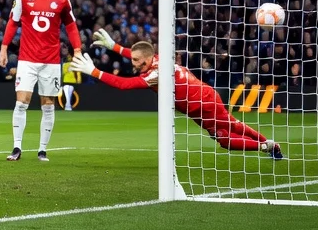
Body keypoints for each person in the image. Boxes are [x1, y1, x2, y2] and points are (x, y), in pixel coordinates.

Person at [72, 31, 282, 158]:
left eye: (136, 62)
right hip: (204, 97)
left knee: (224, 139)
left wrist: (94, 72)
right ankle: (271, 145)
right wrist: (114, 47)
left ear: (146, 60)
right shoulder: (156, 58)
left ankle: (264, 146)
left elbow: (123, 85)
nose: (132, 63)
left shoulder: (155, 74)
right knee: (232, 124)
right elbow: (137, 53)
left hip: (201, 105)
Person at [0, 0, 82, 163]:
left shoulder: (62, 0)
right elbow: (12, 23)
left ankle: (42, 150)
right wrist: (4, 48)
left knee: (48, 104)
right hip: (27, 60)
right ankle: (17, 147)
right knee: (22, 102)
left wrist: (77, 50)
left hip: (51, 61)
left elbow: (71, 26)